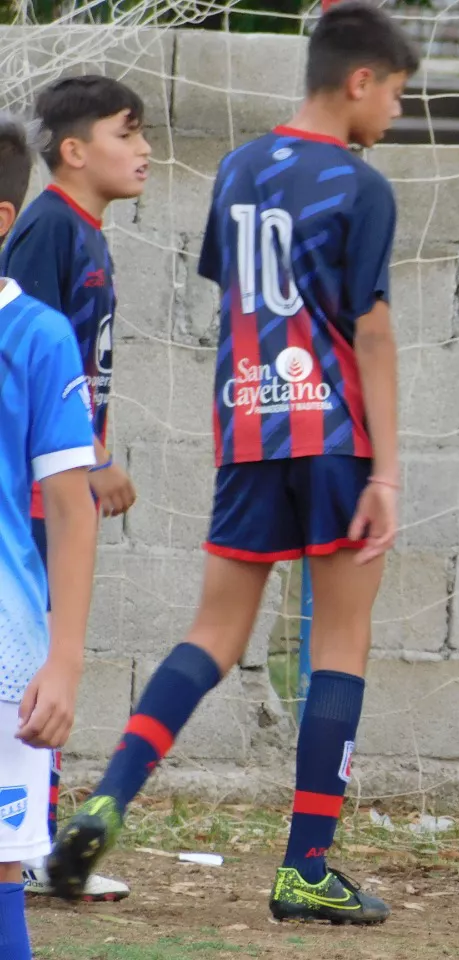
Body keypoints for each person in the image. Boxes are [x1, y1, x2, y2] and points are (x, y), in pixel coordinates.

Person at [47, 0, 418, 925]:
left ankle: (107, 800)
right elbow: (370, 330)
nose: (398, 112)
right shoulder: (362, 186)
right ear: (360, 81)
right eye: (398, 93)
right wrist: (387, 471)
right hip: (334, 433)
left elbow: (241, 291)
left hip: (248, 426)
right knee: (340, 643)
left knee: (213, 633)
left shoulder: (241, 167)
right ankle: (306, 868)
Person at [0, 74, 149, 904]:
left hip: (50, 493)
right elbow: (31, 368)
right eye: (128, 133)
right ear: (73, 150)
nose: (145, 150)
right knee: (27, 666)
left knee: (40, 672)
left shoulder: (85, 231)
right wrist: (90, 459)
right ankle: (31, 843)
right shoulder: (47, 227)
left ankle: (34, 839)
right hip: (25, 504)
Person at [0, 115, 100, 960]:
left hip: (5, 653)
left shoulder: (36, 335)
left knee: (0, 871)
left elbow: (71, 508)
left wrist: (63, 661)